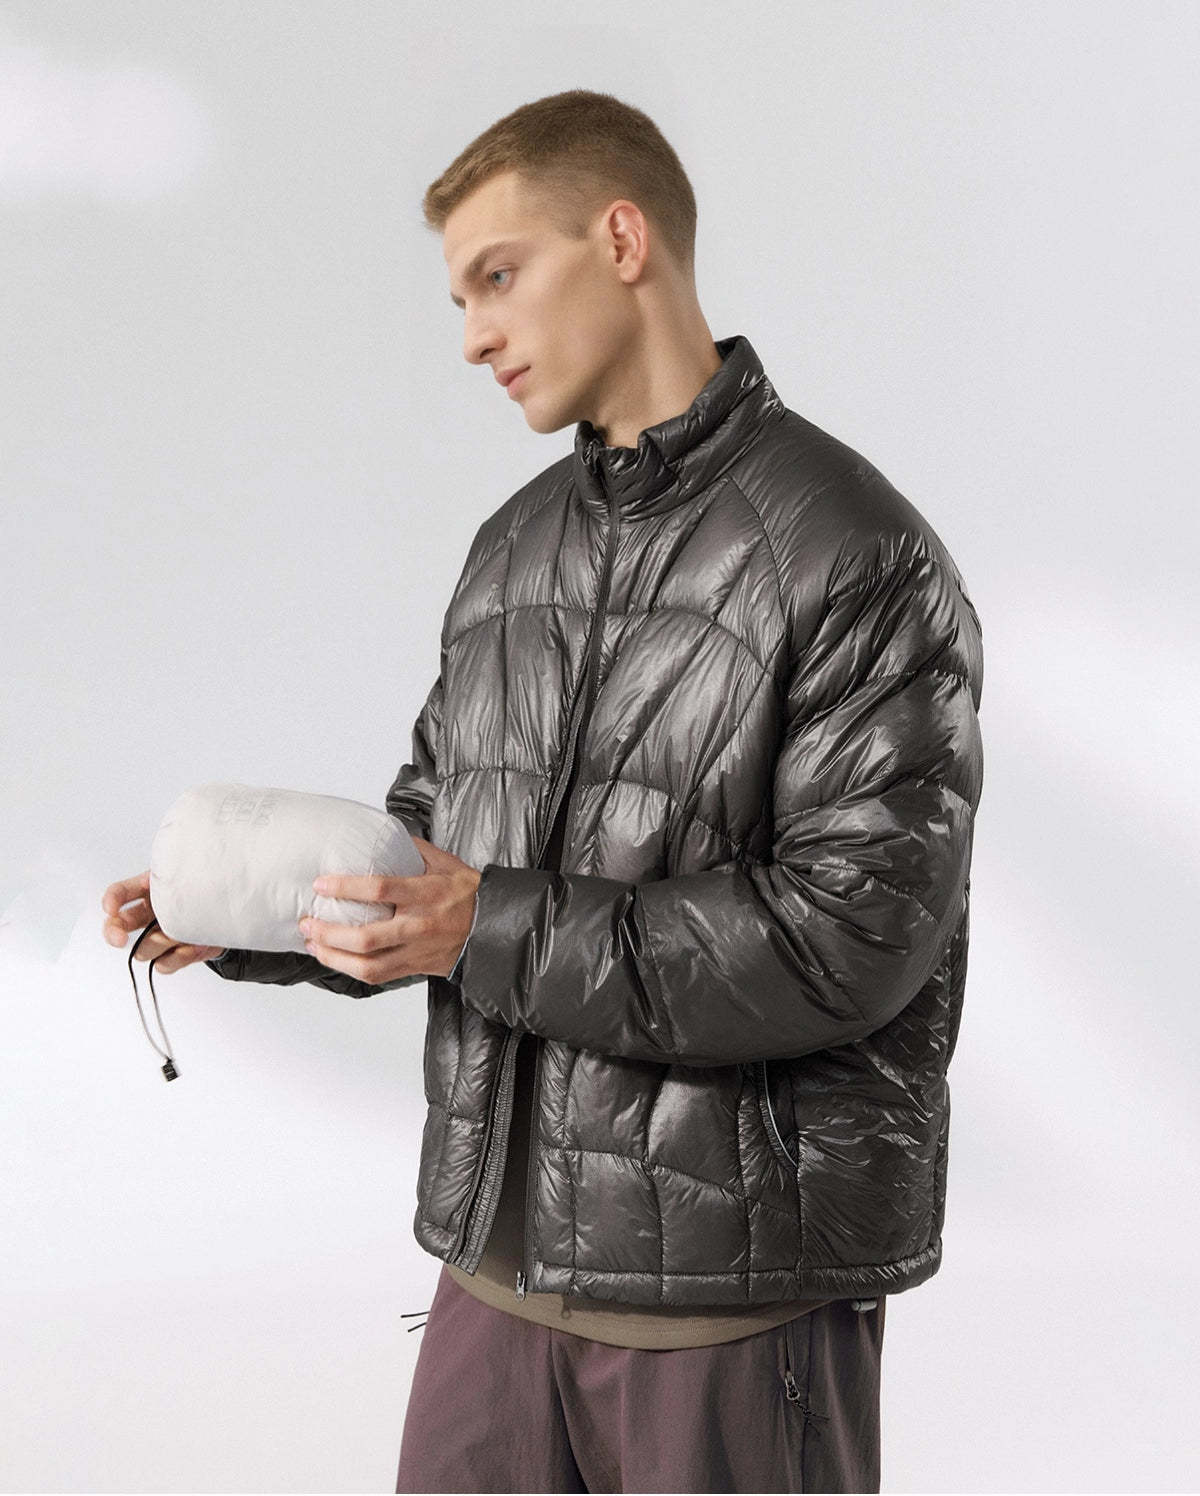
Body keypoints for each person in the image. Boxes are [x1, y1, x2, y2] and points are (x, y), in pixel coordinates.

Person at [102, 88, 984, 1494]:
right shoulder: (511, 552)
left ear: (622, 240)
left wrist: (483, 925)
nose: (472, 336)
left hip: (727, 1303)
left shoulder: (855, 556)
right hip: (494, 1278)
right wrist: (255, 919)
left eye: (498, 277)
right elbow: (441, 851)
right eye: (461, 298)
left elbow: (850, 938)